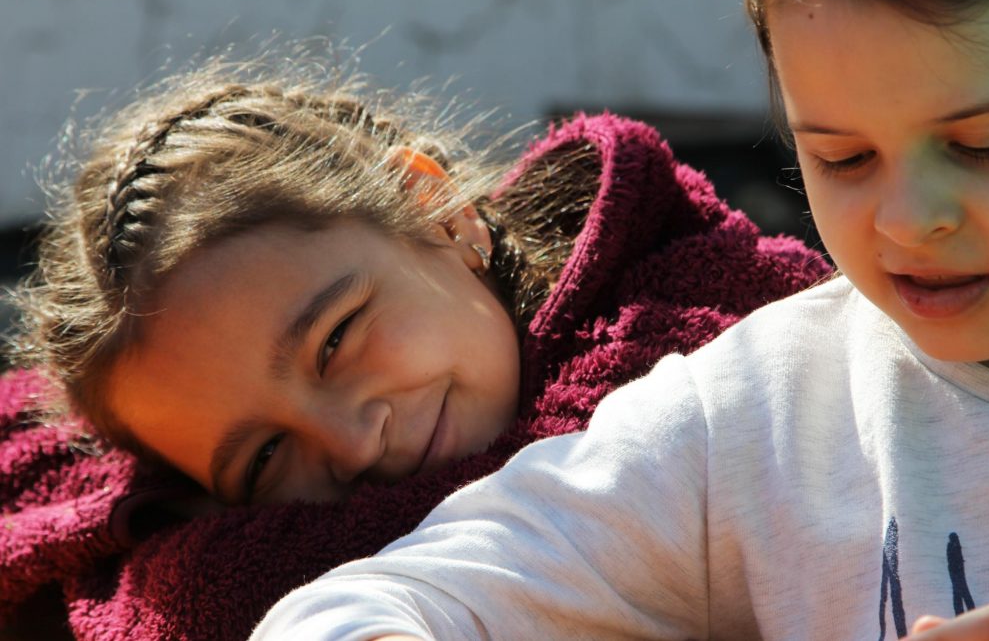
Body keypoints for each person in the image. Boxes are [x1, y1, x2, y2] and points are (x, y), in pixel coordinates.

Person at [248, 0, 989, 639]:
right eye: (843, 157)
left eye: (986, 143)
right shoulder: (756, 414)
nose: (908, 221)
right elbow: (359, 604)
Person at [0, 48, 827, 637]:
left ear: (440, 209)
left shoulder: (736, 352)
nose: (354, 444)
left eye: (334, 341)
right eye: (264, 459)